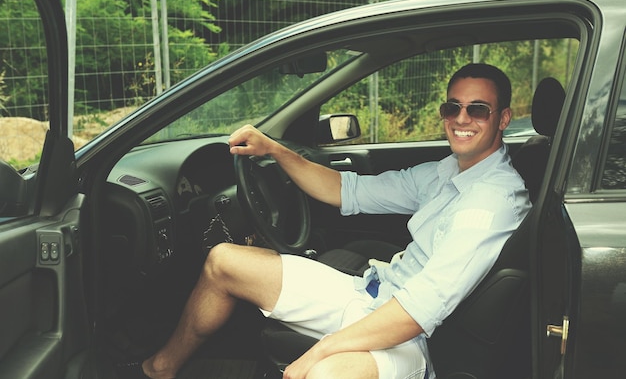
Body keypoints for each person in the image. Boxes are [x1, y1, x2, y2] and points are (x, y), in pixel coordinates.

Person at [118, 63, 531, 379]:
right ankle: (159, 369)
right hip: (372, 293)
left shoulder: (491, 200)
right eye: (452, 107)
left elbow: (418, 312)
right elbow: (346, 190)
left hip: (411, 339)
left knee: (323, 374)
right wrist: (276, 151)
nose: (461, 119)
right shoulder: (446, 172)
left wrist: (321, 350)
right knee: (224, 260)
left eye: (478, 109)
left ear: (504, 118)